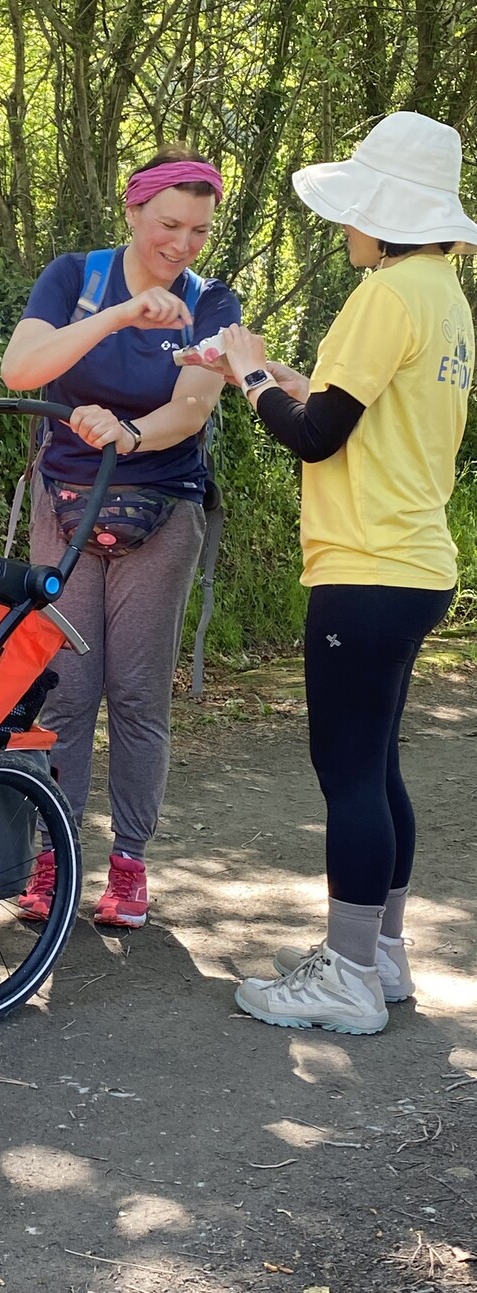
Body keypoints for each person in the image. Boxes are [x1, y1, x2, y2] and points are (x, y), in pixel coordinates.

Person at [221, 112, 477, 1033]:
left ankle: (347, 981)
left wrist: (251, 380)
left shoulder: (386, 294)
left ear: (386, 213)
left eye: (355, 210)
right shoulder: (444, 295)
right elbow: (353, 410)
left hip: (365, 565)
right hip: (415, 562)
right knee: (380, 765)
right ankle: (384, 955)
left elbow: (318, 438)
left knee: (349, 773)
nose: (345, 228)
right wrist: (280, 380)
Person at [0, 146, 241, 927]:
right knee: (65, 690)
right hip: (63, 503)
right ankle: (53, 853)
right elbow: (21, 369)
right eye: (169, 223)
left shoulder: (213, 303)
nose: (182, 243)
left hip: (160, 512)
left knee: (137, 696)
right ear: (133, 210)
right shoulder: (75, 277)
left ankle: (130, 863)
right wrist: (123, 313)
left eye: (199, 231)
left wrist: (125, 432)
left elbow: (193, 408)